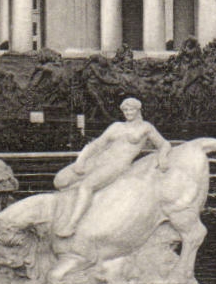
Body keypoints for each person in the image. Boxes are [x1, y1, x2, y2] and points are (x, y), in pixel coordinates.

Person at [53, 97, 172, 238]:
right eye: (125, 110)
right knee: (60, 180)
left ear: (138, 110)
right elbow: (97, 144)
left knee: (87, 186)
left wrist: (163, 156)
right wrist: (81, 160)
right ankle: (69, 203)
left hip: (117, 164)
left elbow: (164, 144)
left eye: (131, 109)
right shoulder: (116, 126)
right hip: (98, 159)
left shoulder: (145, 128)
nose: (128, 112)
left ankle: (72, 225)